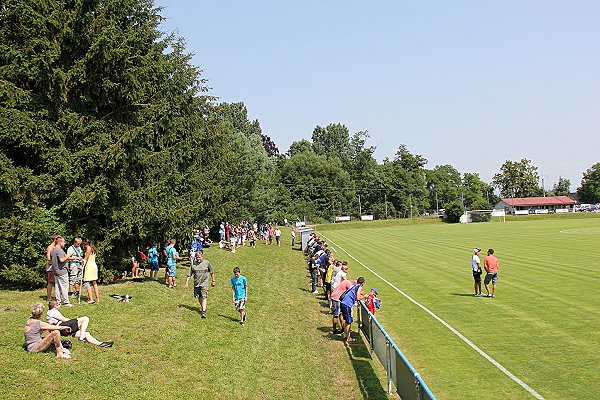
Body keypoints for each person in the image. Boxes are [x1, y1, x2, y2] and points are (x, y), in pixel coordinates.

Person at [46, 300, 113, 347]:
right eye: (58, 304)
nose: (60, 306)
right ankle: (81, 337)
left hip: (63, 329)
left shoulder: (51, 312)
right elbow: (64, 320)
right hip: (62, 327)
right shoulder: (52, 312)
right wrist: (75, 321)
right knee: (85, 318)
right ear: (55, 306)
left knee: (86, 333)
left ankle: (100, 344)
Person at [184, 252, 215, 318]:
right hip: (196, 283)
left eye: (199, 257)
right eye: (197, 257)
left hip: (204, 283)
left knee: (204, 296)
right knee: (199, 297)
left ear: (202, 257)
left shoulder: (207, 263)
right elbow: (189, 275)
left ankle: (203, 312)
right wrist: (186, 283)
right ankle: (203, 307)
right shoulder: (193, 264)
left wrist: (213, 281)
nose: (198, 258)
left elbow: (212, 272)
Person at [51, 237, 79, 306]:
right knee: (64, 287)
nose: (64, 243)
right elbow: (62, 260)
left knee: (57, 287)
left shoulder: (53, 250)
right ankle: (66, 302)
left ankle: (58, 301)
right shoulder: (59, 251)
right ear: (60, 242)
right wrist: (68, 256)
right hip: (62, 271)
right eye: (63, 242)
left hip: (55, 271)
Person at [340, 276, 366, 343]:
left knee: (346, 321)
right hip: (347, 304)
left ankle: (345, 335)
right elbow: (357, 298)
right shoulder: (359, 287)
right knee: (349, 322)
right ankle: (348, 338)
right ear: (362, 283)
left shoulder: (353, 285)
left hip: (343, 303)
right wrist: (364, 297)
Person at [82, 238, 100, 304]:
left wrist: (81, 265)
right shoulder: (92, 248)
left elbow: (86, 258)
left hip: (89, 266)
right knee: (94, 282)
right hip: (93, 265)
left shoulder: (88, 248)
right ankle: (97, 299)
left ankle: (91, 299)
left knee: (86, 282)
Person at [45, 236, 58, 301]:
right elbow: (48, 258)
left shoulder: (56, 247)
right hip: (51, 267)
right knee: (50, 282)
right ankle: (49, 297)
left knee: (56, 283)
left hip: (56, 267)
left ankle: (56, 297)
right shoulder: (50, 247)